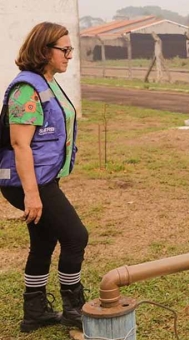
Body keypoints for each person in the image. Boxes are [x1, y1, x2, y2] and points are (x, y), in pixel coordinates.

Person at [0, 22, 88, 332]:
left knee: (44, 240)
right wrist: (32, 194)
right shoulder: (27, 88)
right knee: (76, 236)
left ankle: (34, 310)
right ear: (44, 50)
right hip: (29, 181)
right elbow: (19, 143)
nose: (69, 55)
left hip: (42, 177)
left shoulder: (47, 82)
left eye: (70, 49)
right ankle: (74, 308)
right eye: (64, 50)